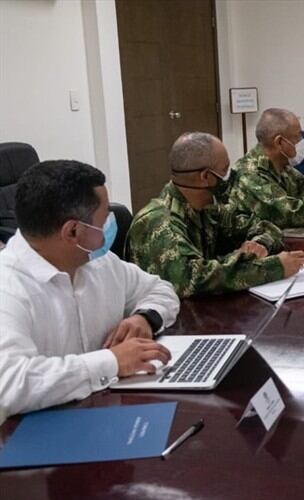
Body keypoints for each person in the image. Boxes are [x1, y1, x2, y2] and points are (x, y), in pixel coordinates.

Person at [0, 160, 179, 422]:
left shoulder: (99, 263)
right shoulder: (8, 288)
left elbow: (160, 289)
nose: (110, 225)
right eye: (105, 218)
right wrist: (112, 362)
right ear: (73, 231)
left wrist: (145, 318)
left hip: (107, 411)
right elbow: (11, 384)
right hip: (41, 432)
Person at [128, 132, 304, 297]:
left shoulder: (206, 209)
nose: (231, 176)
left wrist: (259, 244)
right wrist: (274, 268)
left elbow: (265, 227)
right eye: (225, 170)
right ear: (206, 177)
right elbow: (191, 279)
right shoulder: (159, 223)